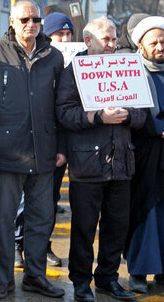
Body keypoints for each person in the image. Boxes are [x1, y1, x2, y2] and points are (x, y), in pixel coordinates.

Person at [0, 0, 66, 299]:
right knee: (4, 220)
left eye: (36, 18)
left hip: (44, 152)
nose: (32, 24)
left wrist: (60, 146)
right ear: (12, 21)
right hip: (7, 153)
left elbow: (62, 106)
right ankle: (4, 280)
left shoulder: (54, 56)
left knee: (41, 219)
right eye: (25, 18)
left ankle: (35, 276)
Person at [56, 17, 145, 302]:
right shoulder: (73, 72)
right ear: (88, 41)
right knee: (83, 228)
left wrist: (129, 115)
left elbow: (143, 113)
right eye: (106, 39)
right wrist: (97, 117)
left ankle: (108, 279)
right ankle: (81, 282)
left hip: (121, 163)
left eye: (114, 38)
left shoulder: (127, 68)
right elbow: (64, 114)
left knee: (116, 227)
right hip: (87, 164)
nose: (112, 44)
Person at [125, 16, 164, 293]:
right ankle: (139, 271)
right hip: (146, 153)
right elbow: (133, 111)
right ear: (141, 46)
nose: (160, 46)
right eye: (154, 42)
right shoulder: (131, 73)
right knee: (145, 211)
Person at [15, 11, 75, 269]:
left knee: (48, 202)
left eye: (68, 34)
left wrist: (62, 147)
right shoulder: (41, 59)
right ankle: (18, 244)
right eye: (58, 34)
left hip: (54, 146)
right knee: (22, 200)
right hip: (24, 144)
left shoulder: (68, 63)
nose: (64, 38)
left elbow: (64, 109)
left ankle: (42, 245)